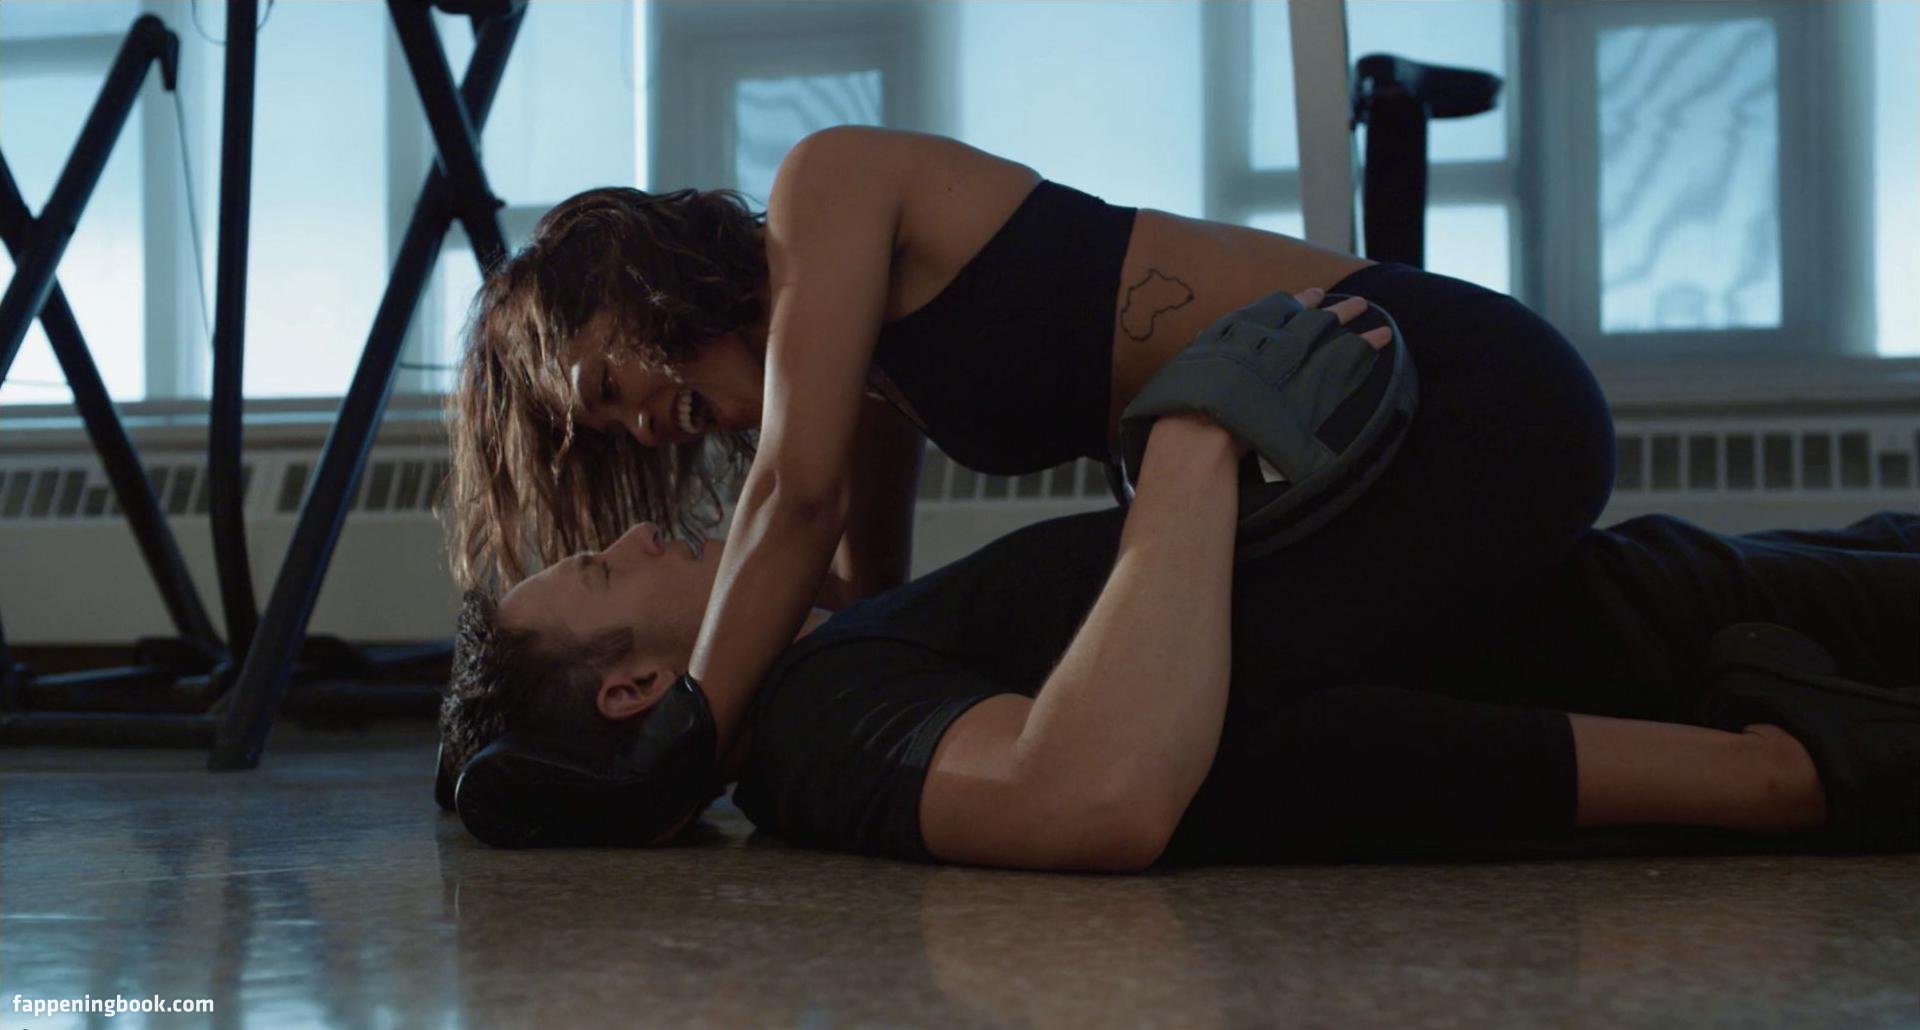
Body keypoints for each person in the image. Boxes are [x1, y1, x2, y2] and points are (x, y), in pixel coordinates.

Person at [445, 127, 1615, 805]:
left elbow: (797, 499)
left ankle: (1716, 774)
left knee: (1226, 725)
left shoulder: (828, 187)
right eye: (614, 432)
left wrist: (675, 750)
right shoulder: (858, 373)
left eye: (607, 388)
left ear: (626, 285)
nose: (644, 431)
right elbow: (871, 608)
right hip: (1357, 472)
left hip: (1465, 394)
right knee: (1194, 709)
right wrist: (552, 741)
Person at [437, 391, 1920, 868]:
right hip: (1641, 635)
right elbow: (1116, 789)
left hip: (1623, 601)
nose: (640, 534)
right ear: (636, 687)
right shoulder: (818, 726)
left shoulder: (831, 675)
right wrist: (1201, 433)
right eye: (600, 570)